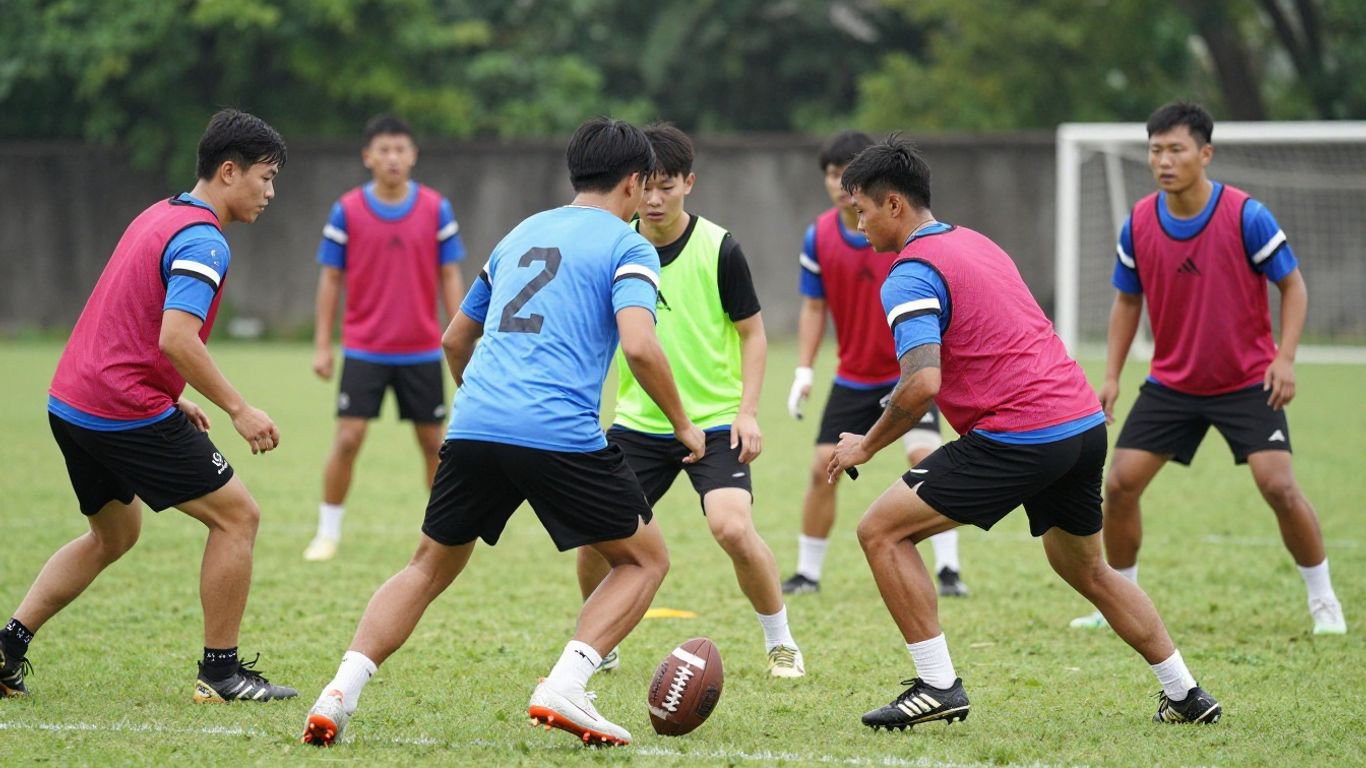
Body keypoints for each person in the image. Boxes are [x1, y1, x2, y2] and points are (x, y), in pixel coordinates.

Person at [301, 117, 705, 748]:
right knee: (644, 559)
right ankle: (567, 684)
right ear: (632, 183)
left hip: (474, 423)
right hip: (558, 431)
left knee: (426, 567)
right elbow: (641, 345)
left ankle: (340, 690)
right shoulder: (631, 247)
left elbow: (454, 338)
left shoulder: (522, 232)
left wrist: (485, 406)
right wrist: (683, 423)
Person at [827, 136, 1221, 729]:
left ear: (893, 206)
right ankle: (1186, 693)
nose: (857, 227)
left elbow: (921, 383)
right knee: (1086, 568)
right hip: (1082, 424)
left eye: (860, 211)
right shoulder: (975, 243)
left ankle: (937, 685)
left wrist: (865, 443)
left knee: (879, 531)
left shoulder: (908, 274)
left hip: (1021, 434)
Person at [0, 110, 296, 703]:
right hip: (118, 407)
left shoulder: (161, 214)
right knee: (238, 517)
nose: (270, 191)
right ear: (229, 170)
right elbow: (176, 338)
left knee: (113, 535)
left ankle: (6, 645)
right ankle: (220, 673)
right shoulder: (203, 240)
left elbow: (130, 322)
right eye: (264, 177)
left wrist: (174, 393)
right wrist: (239, 408)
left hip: (73, 401)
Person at [1070, 102, 1346, 635]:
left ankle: (1324, 599)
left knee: (1280, 487)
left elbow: (1293, 285)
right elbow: (1127, 302)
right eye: (1155, 150)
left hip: (1246, 382)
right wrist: (1109, 376)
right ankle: (1121, 599)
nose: (1164, 160)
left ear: (1205, 153)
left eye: (1176, 149)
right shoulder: (1140, 223)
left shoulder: (1246, 215)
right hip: (1173, 384)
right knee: (1121, 485)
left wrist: (1284, 358)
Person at [576, 123, 805, 678]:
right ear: (632, 186)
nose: (655, 199)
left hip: (715, 423)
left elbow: (754, 334)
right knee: (592, 539)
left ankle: (780, 640)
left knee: (731, 527)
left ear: (689, 183)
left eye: (668, 186)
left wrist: (747, 411)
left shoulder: (719, 248)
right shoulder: (615, 243)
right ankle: (598, 643)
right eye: (646, 186)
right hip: (638, 423)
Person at [782, 131, 966, 598]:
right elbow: (813, 307)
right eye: (830, 173)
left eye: (846, 173)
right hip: (853, 377)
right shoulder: (819, 236)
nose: (838, 183)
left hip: (909, 373)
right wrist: (804, 369)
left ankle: (948, 570)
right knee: (823, 465)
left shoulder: (900, 235)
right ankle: (807, 572)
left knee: (925, 458)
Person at [304, 114, 467, 562]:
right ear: (367, 157)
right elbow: (330, 278)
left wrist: (460, 334)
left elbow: (450, 275)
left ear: (413, 155)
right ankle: (327, 531)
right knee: (349, 438)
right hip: (364, 349)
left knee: (434, 443)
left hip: (420, 350)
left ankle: (442, 536)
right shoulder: (347, 210)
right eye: (384, 150)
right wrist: (323, 344)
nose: (393, 158)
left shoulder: (437, 208)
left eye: (401, 149)